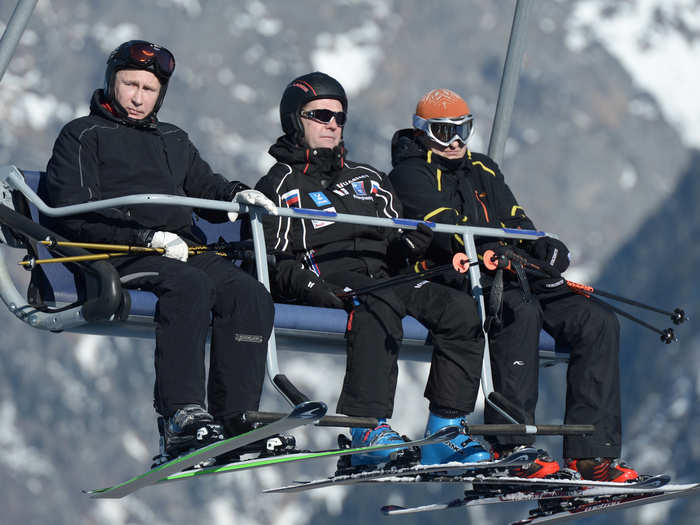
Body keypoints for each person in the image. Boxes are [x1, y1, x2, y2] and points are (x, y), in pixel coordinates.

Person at [388, 88, 639, 482]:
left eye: (463, 130)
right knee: (519, 309)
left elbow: (517, 223)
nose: (454, 142)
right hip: (459, 275)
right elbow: (446, 230)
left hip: (512, 269)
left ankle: (592, 454)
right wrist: (498, 248)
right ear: (422, 133)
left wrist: (544, 248)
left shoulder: (483, 169)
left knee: (597, 322)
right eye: (442, 132)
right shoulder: (410, 173)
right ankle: (511, 444)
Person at [44, 40, 279, 463]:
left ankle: (236, 416)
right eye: (129, 84)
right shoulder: (83, 135)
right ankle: (180, 415)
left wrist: (239, 195)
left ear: (161, 94)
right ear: (111, 81)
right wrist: (144, 240)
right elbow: (71, 210)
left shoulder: (172, 139)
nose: (137, 97)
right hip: (114, 250)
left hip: (177, 248)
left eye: (148, 89)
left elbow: (206, 184)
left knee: (249, 294)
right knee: (188, 285)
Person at [254, 72, 490, 467]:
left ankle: (443, 431)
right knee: (378, 303)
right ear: (295, 119)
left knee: (461, 309)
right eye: (320, 115)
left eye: (339, 117)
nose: (332, 124)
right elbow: (272, 261)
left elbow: (396, 241)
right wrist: (311, 287)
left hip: (385, 277)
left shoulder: (368, 179)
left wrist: (408, 246)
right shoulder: (278, 185)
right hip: (331, 277)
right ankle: (366, 427)